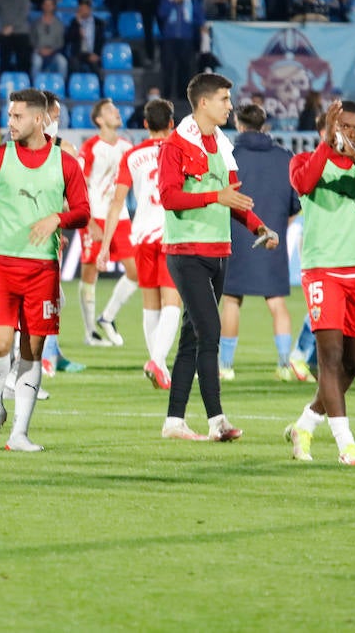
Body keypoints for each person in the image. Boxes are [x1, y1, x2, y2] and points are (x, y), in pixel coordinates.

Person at [0, 89, 90, 452]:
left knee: (33, 349)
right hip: (1, 261)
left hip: (43, 268)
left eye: (17, 117)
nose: (10, 123)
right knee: (0, 343)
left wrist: (56, 218)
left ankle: (19, 433)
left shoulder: (65, 162)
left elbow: (82, 211)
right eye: (10, 115)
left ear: (39, 118)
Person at [159, 73, 277, 442]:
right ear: (204, 103)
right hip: (187, 251)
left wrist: (259, 227)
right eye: (225, 99)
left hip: (219, 250)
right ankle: (217, 421)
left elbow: (233, 199)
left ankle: (174, 421)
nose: (230, 105)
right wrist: (215, 198)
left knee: (193, 337)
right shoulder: (176, 145)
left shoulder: (222, 145)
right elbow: (169, 197)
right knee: (211, 331)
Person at [285, 99, 355, 466]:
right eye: (344, 126)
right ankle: (346, 445)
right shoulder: (305, 161)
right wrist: (326, 145)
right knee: (329, 358)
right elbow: (303, 183)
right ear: (328, 127)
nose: (352, 133)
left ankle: (304, 424)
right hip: (324, 270)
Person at [98, 96, 179, 389]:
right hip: (172, 234)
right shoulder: (181, 151)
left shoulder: (132, 155)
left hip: (141, 236)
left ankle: (158, 366)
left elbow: (117, 201)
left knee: (151, 303)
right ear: (172, 124)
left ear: (145, 124)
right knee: (173, 302)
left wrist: (106, 244)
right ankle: (157, 362)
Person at [219, 103, 300, 381]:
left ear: (239, 124)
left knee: (230, 301)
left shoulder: (228, 155)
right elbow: (295, 204)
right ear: (263, 125)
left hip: (235, 237)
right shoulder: (284, 157)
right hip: (270, 237)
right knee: (276, 302)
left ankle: (225, 367)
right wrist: (274, 228)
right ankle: (283, 364)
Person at [76, 99, 138, 347]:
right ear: (99, 120)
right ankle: (90, 331)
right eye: (111, 111)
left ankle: (107, 317)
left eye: (116, 110)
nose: (117, 113)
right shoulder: (90, 147)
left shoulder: (127, 147)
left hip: (120, 217)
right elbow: (78, 183)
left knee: (136, 273)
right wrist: (89, 221)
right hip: (95, 215)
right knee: (90, 272)